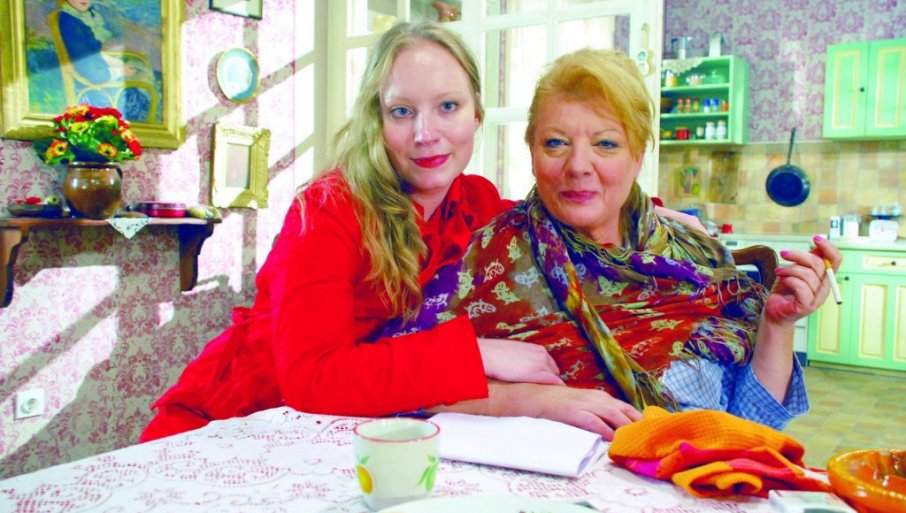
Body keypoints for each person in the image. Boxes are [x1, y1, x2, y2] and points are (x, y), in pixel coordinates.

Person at [141, 22, 704, 442]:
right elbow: (312, 381)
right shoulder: (329, 209)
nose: (426, 134)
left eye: (448, 107)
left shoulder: (476, 203)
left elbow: (557, 207)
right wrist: (478, 355)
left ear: (476, 115)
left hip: (345, 438)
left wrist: (647, 212)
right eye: (402, 111)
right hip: (234, 425)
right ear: (376, 119)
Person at [382, 48, 842, 439]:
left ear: (638, 155)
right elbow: (406, 393)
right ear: (532, 153)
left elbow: (754, 427)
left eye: (605, 144)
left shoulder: (696, 257)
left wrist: (777, 325)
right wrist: (530, 400)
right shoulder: (486, 260)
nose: (578, 166)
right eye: (556, 143)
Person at [52, 0, 155, 120]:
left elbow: (93, 52)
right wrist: (119, 71)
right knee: (144, 98)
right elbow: (90, 69)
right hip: (94, 93)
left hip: (100, 82)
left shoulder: (82, 16)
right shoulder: (70, 23)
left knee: (144, 81)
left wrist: (116, 63)